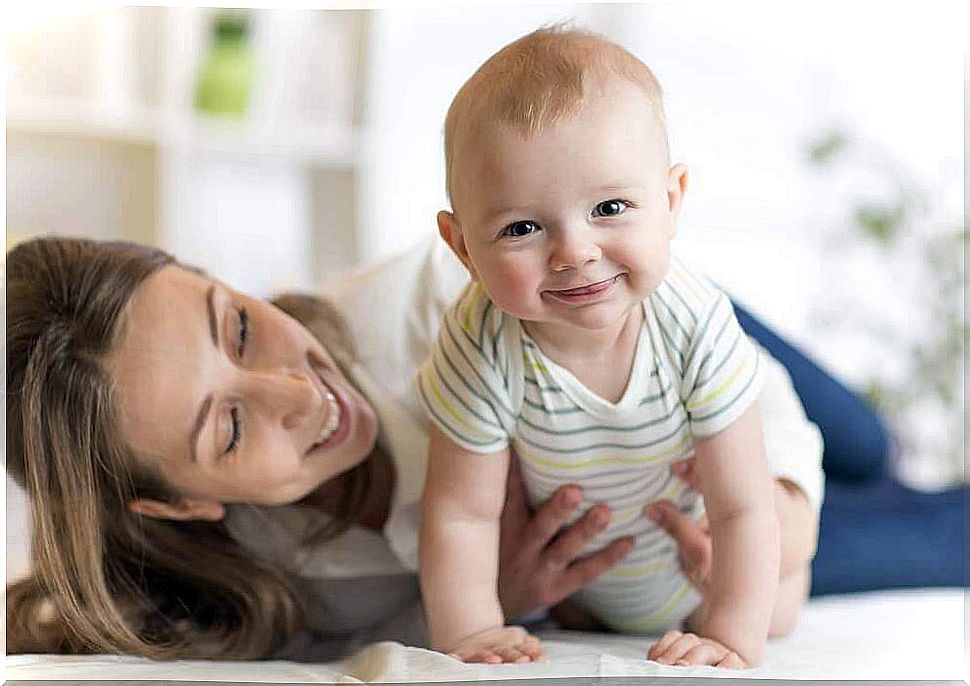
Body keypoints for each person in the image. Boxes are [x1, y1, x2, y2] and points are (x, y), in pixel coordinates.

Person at [4, 233, 823, 663]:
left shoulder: (450, 299)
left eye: (241, 326)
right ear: (178, 502)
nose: (301, 395)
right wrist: (490, 597)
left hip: (675, 342)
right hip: (651, 545)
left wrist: (775, 519)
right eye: (229, 427)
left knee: (861, 449)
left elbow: (751, 392)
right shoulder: (262, 587)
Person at [414, 27, 820, 668]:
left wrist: (729, 642)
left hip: (700, 567)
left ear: (670, 201)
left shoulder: (694, 323)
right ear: (463, 247)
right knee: (570, 615)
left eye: (609, 207)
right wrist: (469, 633)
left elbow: (740, 508)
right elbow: (459, 514)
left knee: (773, 602)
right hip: (590, 586)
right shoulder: (478, 342)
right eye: (522, 227)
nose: (574, 251)